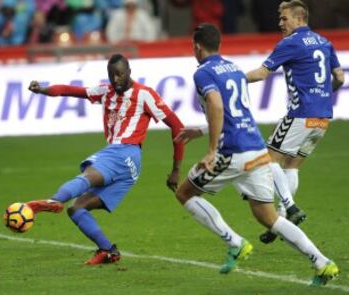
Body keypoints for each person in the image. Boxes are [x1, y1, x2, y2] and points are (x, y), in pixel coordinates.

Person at [174, 23, 339, 286]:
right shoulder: (234, 70)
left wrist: (211, 149)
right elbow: (235, 112)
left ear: (196, 47)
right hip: (257, 151)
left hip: (231, 152)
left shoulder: (203, 73)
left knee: (184, 193)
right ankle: (321, 262)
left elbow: (216, 104)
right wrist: (202, 130)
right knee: (268, 217)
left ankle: (235, 243)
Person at [26, 54, 185, 265]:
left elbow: (176, 125)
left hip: (125, 152)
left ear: (129, 71)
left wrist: (176, 168)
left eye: (119, 74)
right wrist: (43, 89)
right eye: (111, 76)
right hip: (130, 170)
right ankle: (108, 251)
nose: (116, 80)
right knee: (77, 209)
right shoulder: (105, 91)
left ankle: (54, 200)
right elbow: (70, 90)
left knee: (88, 176)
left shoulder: (144, 94)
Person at [246, 0, 345, 243]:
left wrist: (233, 78)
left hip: (301, 114)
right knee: (292, 166)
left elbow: (261, 73)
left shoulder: (290, 43)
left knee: (267, 159)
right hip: (322, 118)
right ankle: (280, 219)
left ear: (299, 19)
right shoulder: (325, 42)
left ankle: (289, 208)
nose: (280, 23)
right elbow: (340, 78)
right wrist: (323, 96)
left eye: (284, 18)